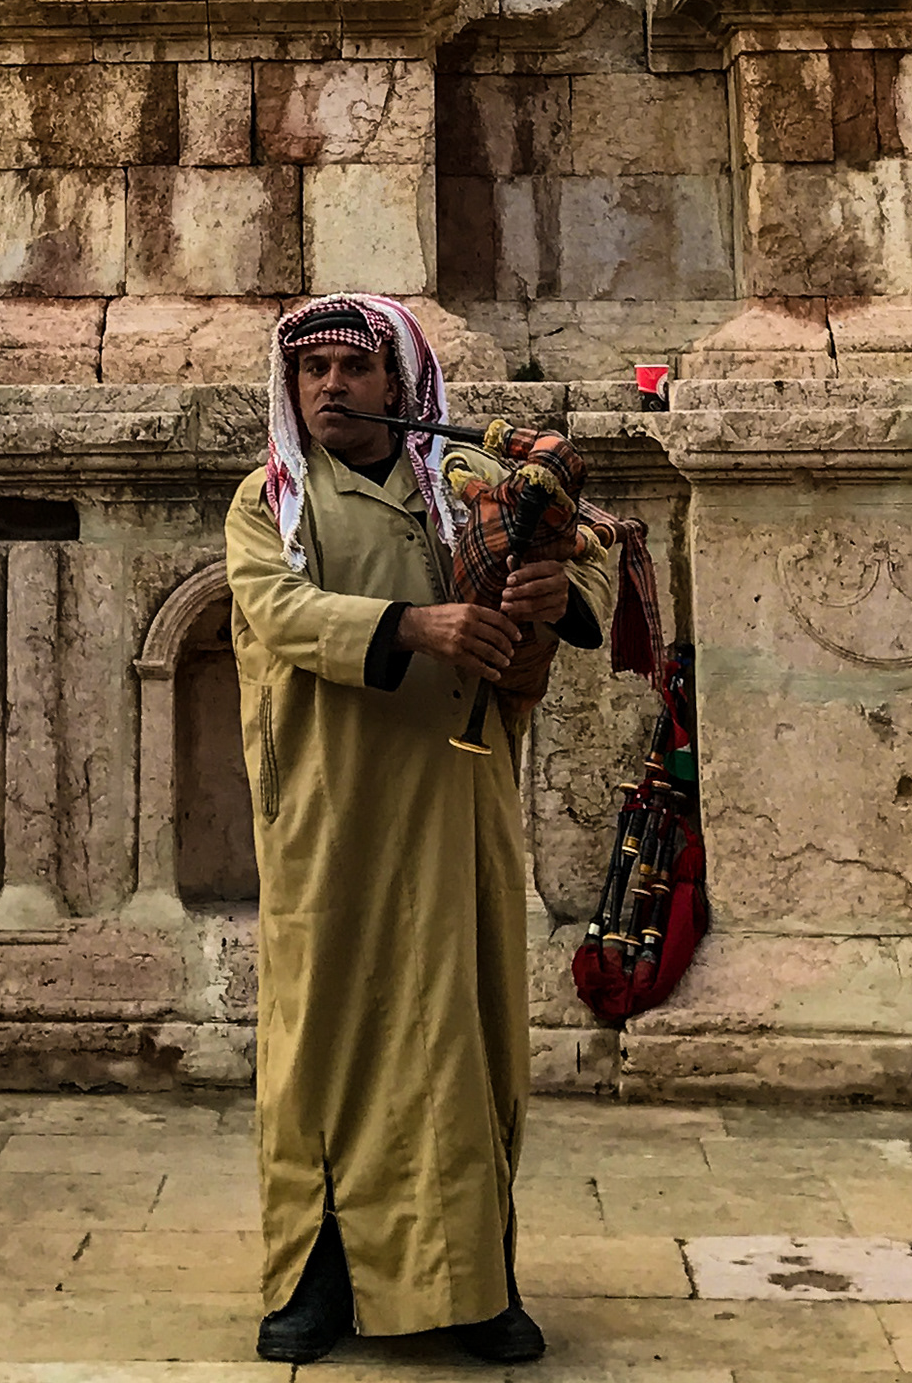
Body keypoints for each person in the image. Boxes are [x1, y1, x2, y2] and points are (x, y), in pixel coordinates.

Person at [226, 293, 603, 1368]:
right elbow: (282, 615)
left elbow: (587, 561)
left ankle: (475, 1285)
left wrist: (547, 585)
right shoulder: (271, 505)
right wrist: (418, 625)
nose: (332, 386)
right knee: (325, 1044)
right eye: (313, 371)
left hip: (454, 802)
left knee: (463, 1034)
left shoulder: (470, 491)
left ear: (400, 387)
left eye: (355, 367)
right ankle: (314, 1279)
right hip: (330, 812)